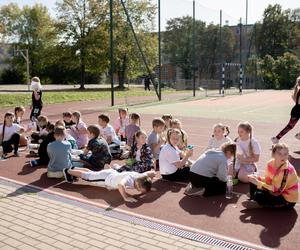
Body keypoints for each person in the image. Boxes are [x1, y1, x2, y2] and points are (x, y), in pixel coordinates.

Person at [248, 143, 298, 209]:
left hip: (286, 199)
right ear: (273, 154)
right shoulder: (270, 164)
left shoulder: (287, 170)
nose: (283, 156)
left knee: (259, 194)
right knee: (253, 180)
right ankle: (254, 199)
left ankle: (257, 201)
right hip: (274, 190)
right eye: (279, 154)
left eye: (285, 154)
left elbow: (277, 191)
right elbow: (268, 181)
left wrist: (258, 183)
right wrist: (257, 179)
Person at [63, 168, 155, 202]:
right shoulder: (129, 179)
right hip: (105, 179)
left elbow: (152, 173)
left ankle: (74, 168)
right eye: (139, 189)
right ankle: (68, 171)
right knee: (87, 177)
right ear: (138, 184)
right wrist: (126, 197)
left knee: (92, 173)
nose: (139, 192)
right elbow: (120, 185)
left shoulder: (141, 176)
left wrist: (148, 186)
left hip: (111, 173)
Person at [271, 76, 300, 144]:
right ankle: (276, 138)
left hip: (296, 110)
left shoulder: (298, 90)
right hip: (297, 111)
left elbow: (295, 100)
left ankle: (298, 135)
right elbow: (299, 102)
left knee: (289, 126)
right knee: (290, 126)